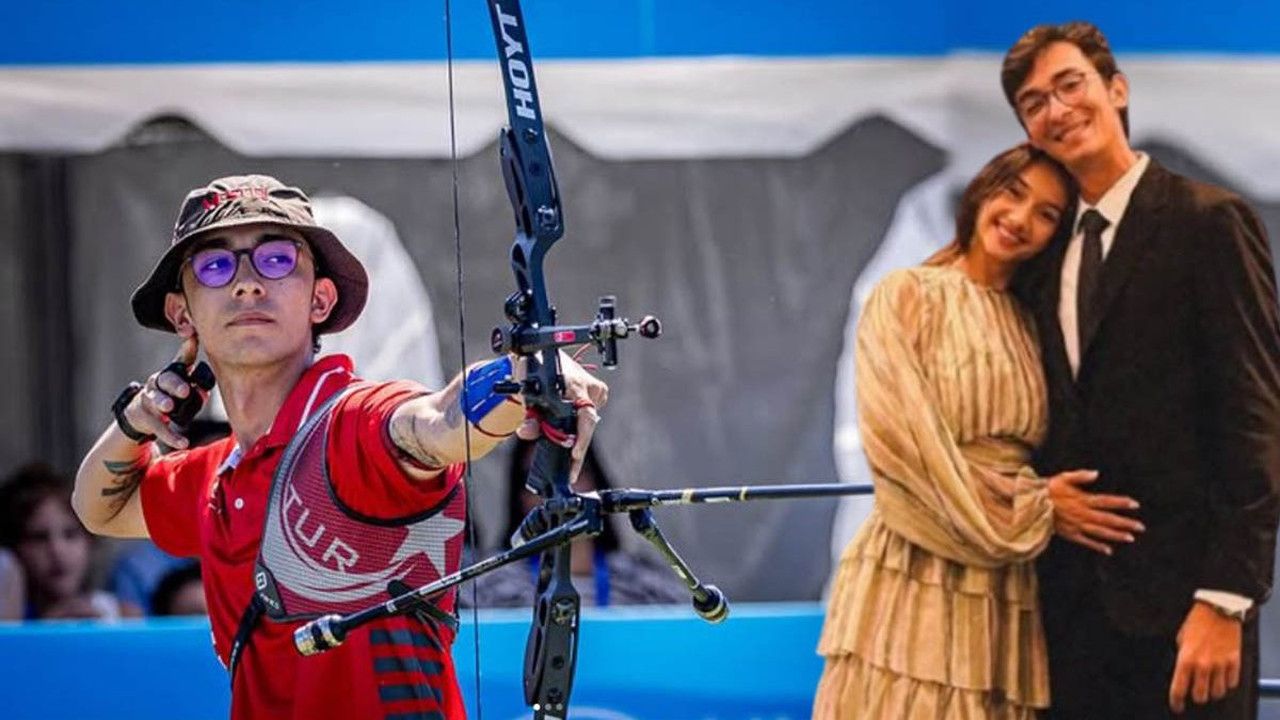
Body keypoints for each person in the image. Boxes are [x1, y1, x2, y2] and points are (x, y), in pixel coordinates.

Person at [70, 175, 608, 720]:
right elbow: (99, 507)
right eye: (215, 266)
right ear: (182, 314)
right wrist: (135, 421)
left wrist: (526, 377)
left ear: (320, 299)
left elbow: (437, 421)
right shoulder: (216, 475)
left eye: (277, 260)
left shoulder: (352, 424)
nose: (247, 284)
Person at [1001, 22, 1280, 719]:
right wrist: (1038, 501)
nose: (1057, 109)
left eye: (1070, 85)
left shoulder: (1209, 220)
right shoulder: (1037, 256)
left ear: (1116, 90)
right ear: (1028, 133)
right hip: (1064, 619)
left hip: (1189, 615)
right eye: (1035, 103)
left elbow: (1256, 417)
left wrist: (1226, 601)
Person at [814, 144, 1135, 719]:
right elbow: (905, 456)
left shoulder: (1028, 321)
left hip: (1003, 587)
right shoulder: (904, 295)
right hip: (914, 570)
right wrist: (1037, 507)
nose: (1020, 219)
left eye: (1046, 214)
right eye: (1013, 194)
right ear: (982, 191)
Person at [461, 438, 691, 609]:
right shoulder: (486, 590)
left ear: (598, 484)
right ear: (520, 499)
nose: (557, 494)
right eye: (536, 480)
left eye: (571, 474)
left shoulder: (647, 584)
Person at [0, 464, 136, 620]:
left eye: (70, 534)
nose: (57, 551)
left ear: (89, 540)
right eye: (39, 537)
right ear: (15, 546)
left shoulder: (124, 617)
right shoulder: (9, 621)